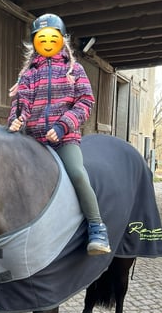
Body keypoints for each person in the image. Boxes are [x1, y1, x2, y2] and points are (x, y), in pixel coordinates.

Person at [7, 13, 110, 255]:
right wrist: (16, 121)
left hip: (65, 139)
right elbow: (20, 106)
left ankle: (97, 227)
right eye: (41, 38)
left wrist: (63, 126)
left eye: (51, 37)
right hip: (33, 140)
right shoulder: (28, 74)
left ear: (62, 40)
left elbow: (85, 101)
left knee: (76, 173)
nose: (46, 42)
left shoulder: (74, 69)